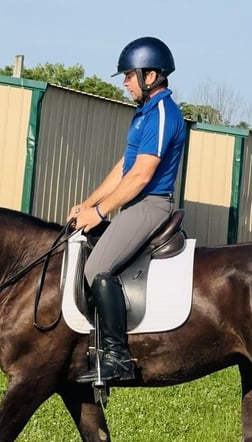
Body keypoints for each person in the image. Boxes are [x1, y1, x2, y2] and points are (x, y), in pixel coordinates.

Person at [69, 36, 187, 384]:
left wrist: (101, 213)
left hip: (151, 204)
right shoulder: (144, 115)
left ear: (150, 76)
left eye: (128, 76)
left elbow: (141, 175)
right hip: (134, 202)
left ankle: (118, 358)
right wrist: (89, 203)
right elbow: (124, 167)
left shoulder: (164, 113)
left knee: (97, 268)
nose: (124, 83)